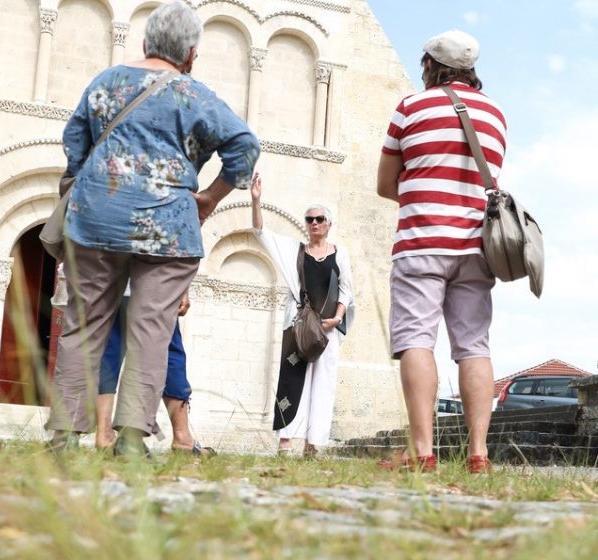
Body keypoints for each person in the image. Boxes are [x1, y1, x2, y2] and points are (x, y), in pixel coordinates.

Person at [45, 1, 259, 456]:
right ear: (191, 54)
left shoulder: (105, 82)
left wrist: (97, 185)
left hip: (95, 219)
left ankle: (64, 435)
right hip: (169, 226)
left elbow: (75, 146)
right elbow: (244, 147)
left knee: (83, 325)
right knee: (152, 329)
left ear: (144, 43)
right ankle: (130, 439)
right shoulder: (194, 94)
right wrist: (210, 197)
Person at [376, 30, 506, 474]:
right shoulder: (496, 115)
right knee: (474, 346)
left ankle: (423, 452)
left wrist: (421, 196)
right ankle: (479, 455)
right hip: (475, 247)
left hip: (420, 244)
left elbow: (384, 184)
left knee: (416, 340)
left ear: (430, 64)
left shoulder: (411, 107)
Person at [250, 173, 355, 458]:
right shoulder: (294, 251)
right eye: (310, 219)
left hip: (328, 329)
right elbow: (261, 233)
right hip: (298, 326)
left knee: (323, 385)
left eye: (319, 219)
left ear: (329, 224)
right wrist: (256, 201)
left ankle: (313, 444)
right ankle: (285, 443)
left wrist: (337, 317)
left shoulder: (340, 254)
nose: (314, 223)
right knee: (291, 380)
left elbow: (347, 290)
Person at [96, 290, 215, 456]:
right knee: (169, 352)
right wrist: (182, 289)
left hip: (113, 285)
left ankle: (103, 435)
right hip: (155, 288)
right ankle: (183, 439)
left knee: (108, 352)